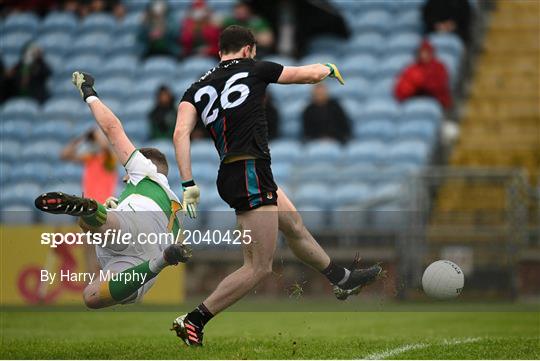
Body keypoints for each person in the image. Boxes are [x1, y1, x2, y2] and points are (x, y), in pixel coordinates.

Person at [172, 25, 383, 346]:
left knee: (294, 225)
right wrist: (328, 68)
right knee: (259, 266)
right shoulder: (255, 67)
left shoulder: (196, 87)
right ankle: (195, 319)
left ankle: (342, 279)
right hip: (249, 170)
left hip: (239, 170)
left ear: (219, 53)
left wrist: (188, 182)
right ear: (247, 50)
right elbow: (307, 75)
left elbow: (180, 134)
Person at [35, 72, 191, 309]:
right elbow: (176, 238)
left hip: (130, 225)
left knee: (98, 223)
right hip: (144, 258)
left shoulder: (144, 169)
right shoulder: (175, 204)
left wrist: (89, 93)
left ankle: (88, 210)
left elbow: (112, 128)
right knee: (92, 297)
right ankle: (162, 260)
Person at [61, 128, 118, 205]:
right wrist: (82, 138)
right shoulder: (91, 157)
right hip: (89, 203)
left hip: (105, 204)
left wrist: (97, 136)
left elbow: (105, 148)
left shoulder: (111, 158)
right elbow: (64, 156)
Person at [394, 39, 452, 110]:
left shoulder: (439, 67)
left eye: (426, 52)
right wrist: (416, 85)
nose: (423, 55)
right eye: (421, 52)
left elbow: (440, 86)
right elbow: (401, 90)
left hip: (437, 102)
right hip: (413, 101)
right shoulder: (411, 69)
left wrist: (422, 82)